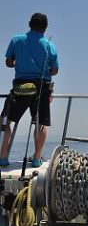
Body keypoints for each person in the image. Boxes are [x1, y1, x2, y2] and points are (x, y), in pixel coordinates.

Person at [0, 13, 59, 167]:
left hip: (21, 86)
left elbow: (8, 62)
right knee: (40, 123)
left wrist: (17, 64)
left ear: (29, 24)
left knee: (5, 121)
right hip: (43, 87)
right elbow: (54, 70)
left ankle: (3, 157)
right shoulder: (50, 45)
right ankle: (37, 158)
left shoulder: (16, 40)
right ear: (45, 27)